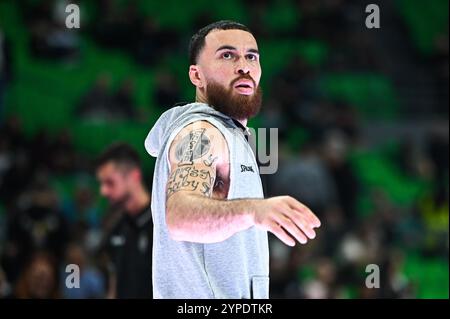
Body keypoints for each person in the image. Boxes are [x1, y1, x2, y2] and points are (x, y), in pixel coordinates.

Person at [145, 20, 321, 299]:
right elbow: (179, 217)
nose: (244, 66)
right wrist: (254, 211)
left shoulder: (233, 134)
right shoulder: (201, 132)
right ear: (196, 76)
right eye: (227, 55)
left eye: (251, 56)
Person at [95, 143, 153, 298]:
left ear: (134, 176)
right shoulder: (116, 229)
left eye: (110, 182)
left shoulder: (162, 225)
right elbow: (114, 286)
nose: (103, 191)